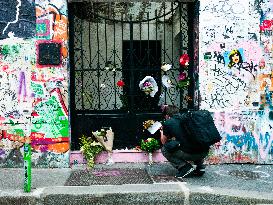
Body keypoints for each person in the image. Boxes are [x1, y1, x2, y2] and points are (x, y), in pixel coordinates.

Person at [160, 105, 209, 178]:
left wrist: (161, 131)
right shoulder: (190, 119)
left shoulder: (169, 123)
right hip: (204, 152)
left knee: (165, 149)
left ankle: (184, 167)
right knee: (194, 141)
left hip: (190, 154)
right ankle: (200, 166)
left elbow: (164, 142)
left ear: (167, 116)